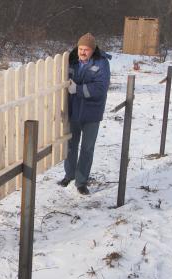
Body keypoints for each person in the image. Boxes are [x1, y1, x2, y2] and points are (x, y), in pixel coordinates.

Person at [57, 33, 111, 195]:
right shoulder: (71, 59)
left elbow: (101, 88)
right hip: (73, 110)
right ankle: (69, 174)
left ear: (93, 50)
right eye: (80, 48)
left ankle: (81, 181)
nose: (82, 52)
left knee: (87, 148)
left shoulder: (101, 63)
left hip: (91, 113)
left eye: (86, 50)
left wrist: (78, 89)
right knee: (71, 146)